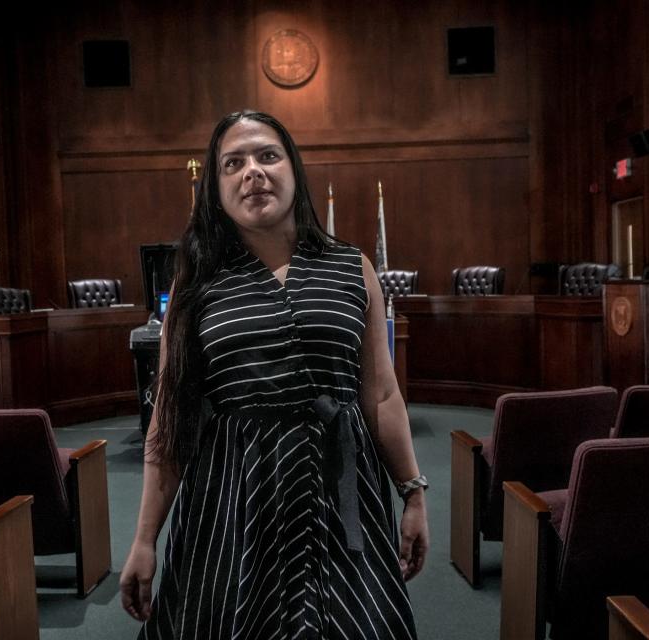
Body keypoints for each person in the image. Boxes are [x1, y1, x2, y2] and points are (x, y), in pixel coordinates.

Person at [120, 109, 429, 639]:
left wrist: (414, 493)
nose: (252, 172)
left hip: (342, 484)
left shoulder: (352, 266)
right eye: (232, 163)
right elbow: (169, 423)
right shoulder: (196, 283)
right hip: (234, 495)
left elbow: (380, 395)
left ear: (293, 169)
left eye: (267, 155)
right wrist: (145, 538)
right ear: (216, 190)